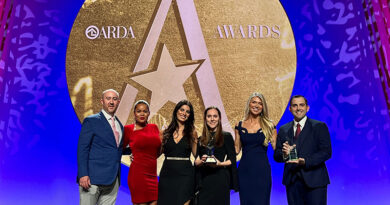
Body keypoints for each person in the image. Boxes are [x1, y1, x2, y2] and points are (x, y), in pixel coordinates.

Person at [274, 95, 332, 205]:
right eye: (295, 105)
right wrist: (285, 154)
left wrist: (305, 161)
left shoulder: (319, 126)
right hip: (292, 182)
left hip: (315, 181)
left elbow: (326, 152)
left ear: (307, 108)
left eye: (301, 105)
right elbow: (276, 155)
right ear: (290, 109)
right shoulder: (283, 129)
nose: (298, 108)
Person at [77, 89, 124, 205]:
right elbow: (82, 149)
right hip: (92, 179)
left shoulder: (119, 124)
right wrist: (83, 174)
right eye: (108, 98)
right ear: (102, 101)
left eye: (114, 99)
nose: (111, 102)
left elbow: (116, 148)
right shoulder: (91, 121)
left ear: (118, 102)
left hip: (113, 180)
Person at [234, 92, 277, 205]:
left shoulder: (270, 125)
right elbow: (236, 149)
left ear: (263, 107)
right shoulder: (239, 125)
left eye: (260, 103)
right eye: (254, 102)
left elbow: (276, 148)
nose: (256, 105)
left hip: (262, 171)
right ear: (249, 104)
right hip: (245, 171)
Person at [194, 106, 238, 205]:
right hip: (205, 180)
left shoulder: (226, 136)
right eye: (209, 116)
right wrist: (201, 161)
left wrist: (220, 163)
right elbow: (195, 161)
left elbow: (232, 160)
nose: (212, 119)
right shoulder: (200, 139)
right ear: (205, 119)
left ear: (219, 119)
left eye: (215, 116)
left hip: (220, 179)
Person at [158, 100, 198, 205]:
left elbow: (196, 155)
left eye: (187, 112)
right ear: (176, 111)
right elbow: (156, 154)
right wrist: (139, 155)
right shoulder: (165, 132)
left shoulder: (192, 133)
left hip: (186, 175)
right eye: (182, 110)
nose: (184, 113)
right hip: (167, 174)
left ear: (190, 115)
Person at [122, 100, 161, 205]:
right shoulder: (128, 129)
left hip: (152, 175)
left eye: (145, 111)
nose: (142, 114)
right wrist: (131, 153)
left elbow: (157, 151)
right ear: (134, 113)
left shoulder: (154, 127)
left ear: (149, 113)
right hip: (138, 175)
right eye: (139, 111)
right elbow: (119, 149)